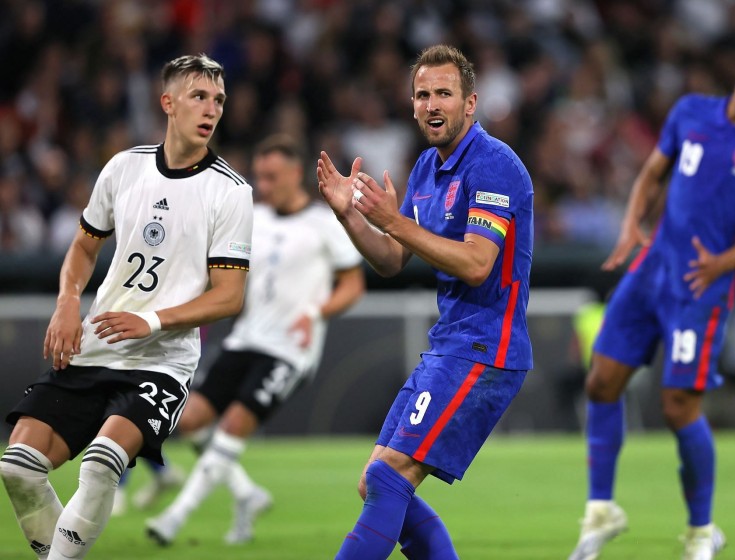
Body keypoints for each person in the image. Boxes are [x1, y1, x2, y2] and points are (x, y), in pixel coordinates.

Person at [0, 53, 253, 560]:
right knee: (18, 469)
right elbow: (83, 247)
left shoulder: (230, 191)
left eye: (219, 100)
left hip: (160, 362)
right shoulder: (124, 167)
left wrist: (152, 320)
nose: (211, 109)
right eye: (199, 96)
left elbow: (229, 295)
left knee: (99, 465)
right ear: (168, 102)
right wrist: (67, 302)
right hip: (97, 344)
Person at [568, 40, 735, 560]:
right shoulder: (691, 111)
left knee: (677, 407)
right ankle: (601, 510)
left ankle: (700, 533)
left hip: (701, 284)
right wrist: (631, 224)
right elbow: (652, 172)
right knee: (601, 382)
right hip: (652, 268)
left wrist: (724, 261)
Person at [317, 44, 535, 560]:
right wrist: (351, 216)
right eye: (422, 94)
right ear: (411, 105)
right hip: (452, 345)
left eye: (444, 93)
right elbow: (393, 258)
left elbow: (477, 263)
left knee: (390, 479)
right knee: (376, 482)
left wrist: (395, 220)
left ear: (470, 103)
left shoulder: (493, 165)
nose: (432, 104)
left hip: (485, 348)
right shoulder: (426, 168)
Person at [145, 133, 366, 546]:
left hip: (289, 352)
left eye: (271, 177)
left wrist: (316, 312)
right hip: (245, 339)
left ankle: (175, 517)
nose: (262, 185)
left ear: (296, 174)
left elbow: (353, 285)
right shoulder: (252, 219)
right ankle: (246, 494)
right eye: (259, 177)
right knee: (189, 419)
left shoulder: (324, 223)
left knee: (232, 424)